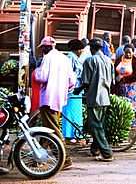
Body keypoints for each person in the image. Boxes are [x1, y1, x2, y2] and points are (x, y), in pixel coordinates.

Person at [35, 36, 76, 170]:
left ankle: (65, 160)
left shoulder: (48, 58)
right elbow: (72, 81)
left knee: (53, 130)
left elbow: (42, 77)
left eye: (43, 48)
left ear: (46, 47)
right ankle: (38, 158)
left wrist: (36, 71)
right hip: (59, 98)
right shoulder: (65, 58)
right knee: (48, 128)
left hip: (48, 98)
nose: (43, 51)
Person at [73, 37, 114, 162]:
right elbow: (112, 81)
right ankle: (95, 149)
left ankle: (107, 153)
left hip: (94, 97)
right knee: (99, 124)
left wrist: (78, 90)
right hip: (105, 97)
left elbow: (86, 82)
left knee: (95, 126)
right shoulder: (109, 61)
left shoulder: (89, 61)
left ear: (91, 48)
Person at [62, 39, 85, 140]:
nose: (82, 51)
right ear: (78, 50)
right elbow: (71, 75)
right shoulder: (71, 58)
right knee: (71, 112)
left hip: (77, 90)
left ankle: (74, 133)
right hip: (73, 90)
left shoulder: (74, 57)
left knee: (75, 112)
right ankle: (71, 134)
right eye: (82, 49)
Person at [114, 44, 136, 113]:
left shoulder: (135, 62)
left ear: (133, 52)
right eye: (126, 52)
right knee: (121, 107)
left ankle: (133, 123)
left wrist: (123, 78)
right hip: (120, 87)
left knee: (131, 108)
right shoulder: (119, 60)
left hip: (131, 88)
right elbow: (115, 71)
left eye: (130, 52)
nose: (128, 54)